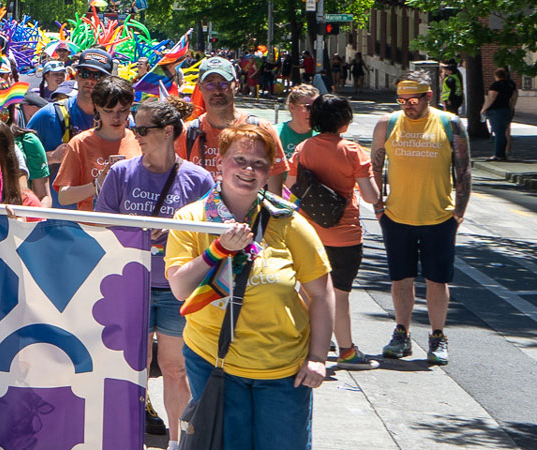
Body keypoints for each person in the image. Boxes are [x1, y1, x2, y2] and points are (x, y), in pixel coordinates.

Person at [166, 124, 333, 449]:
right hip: (215, 364)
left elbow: (321, 292)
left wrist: (318, 358)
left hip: (283, 371)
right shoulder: (191, 219)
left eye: (258, 163)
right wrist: (218, 251)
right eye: (239, 159)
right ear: (221, 162)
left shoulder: (288, 221)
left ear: (269, 170)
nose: (248, 169)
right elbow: (180, 288)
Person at [94, 96, 217, 448]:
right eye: (135, 127)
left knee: (176, 370)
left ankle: (178, 442)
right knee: (132, 369)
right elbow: (102, 228)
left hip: (176, 290)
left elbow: (214, 232)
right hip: (129, 284)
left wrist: (176, 232)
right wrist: (135, 231)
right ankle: (124, 438)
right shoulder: (121, 173)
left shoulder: (198, 179)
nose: (135, 133)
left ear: (167, 132)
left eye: (143, 128)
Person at [373, 72, 471, 365]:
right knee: (400, 279)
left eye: (412, 100)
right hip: (397, 216)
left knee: (436, 280)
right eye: (401, 100)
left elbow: (463, 169)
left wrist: (459, 212)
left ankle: (438, 336)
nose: (407, 106)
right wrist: (379, 207)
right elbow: (374, 167)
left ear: (429, 96)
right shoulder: (387, 123)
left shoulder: (449, 123)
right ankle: (402, 333)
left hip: (438, 217)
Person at [287, 94, 383, 370]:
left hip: (308, 233)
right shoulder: (353, 152)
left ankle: (305, 348)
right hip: (345, 235)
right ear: (344, 121)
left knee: (308, 293)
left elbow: (292, 189)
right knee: (339, 295)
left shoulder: (303, 149)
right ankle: (347, 351)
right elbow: (371, 196)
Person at [177, 57, 285, 185]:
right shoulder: (186, 133)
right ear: (199, 87)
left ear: (237, 85)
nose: (217, 91)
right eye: (210, 84)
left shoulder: (262, 130)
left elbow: (274, 193)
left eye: (224, 84)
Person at [54, 76, 141, 211]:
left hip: (129, 226)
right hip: (91, 228)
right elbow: (64, 197)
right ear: (97, 108)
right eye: (108, 111)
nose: (116, 118)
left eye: (122, 110)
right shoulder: (79, 143)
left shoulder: (140, 141)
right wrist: (97, 183)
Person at [31, 49, 117, 183]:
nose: (90, 80)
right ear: (76, 76)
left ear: (109, 80)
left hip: (102, 203)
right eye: (85, 73)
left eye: (98, 76)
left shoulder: (120, 120)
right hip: (58, 202)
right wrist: (52, 156)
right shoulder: (49, 115)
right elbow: (17, 159)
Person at [484, 67, 519, 161]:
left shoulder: (496, 85)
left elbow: (491, 98)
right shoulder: (511, 84)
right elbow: (514, 96)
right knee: (503, 132)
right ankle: (502, 153)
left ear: (496, 76)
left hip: (496, 110)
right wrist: (511, 107)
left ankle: (498, 154)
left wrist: (484, 109)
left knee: (498, 133)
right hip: (506, 109)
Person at [276, 85, 320, 157]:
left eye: (317, 107)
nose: (313, 112)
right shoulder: (275, 134)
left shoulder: (323, 135)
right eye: (308, 107)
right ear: (292, 107)